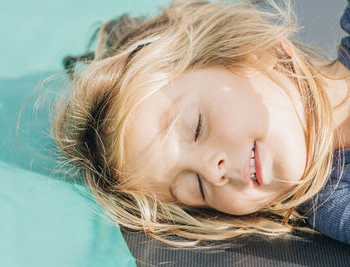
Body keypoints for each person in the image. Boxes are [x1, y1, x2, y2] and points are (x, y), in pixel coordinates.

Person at [53, 0, 350, 246]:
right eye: (197, 188)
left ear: (249, 53)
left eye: (197, 127)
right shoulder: (334, 208)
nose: (211, 170)